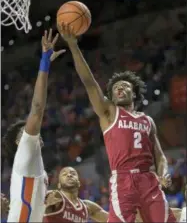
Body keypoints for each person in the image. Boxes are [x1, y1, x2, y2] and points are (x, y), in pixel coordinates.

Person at [57, 23, 176, 222]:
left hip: (149, 180)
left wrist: (164, 173)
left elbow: (160, 156)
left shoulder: (148, 121)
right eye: (115, 88)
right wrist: (73, 46)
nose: (119, 89)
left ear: (134, 93)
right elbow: (88, 81)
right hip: (123, 180)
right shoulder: (109, 113)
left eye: (124, 86)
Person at [2, 29, 65, 222]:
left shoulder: (34, 167)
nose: (31, 130)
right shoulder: (26, 148)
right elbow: (37, 108)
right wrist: (44, 62)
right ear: (19, 141)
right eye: (25, 131)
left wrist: (48, 201)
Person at [43, 167, 182, 223]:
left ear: (79, 183)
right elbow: (45, 200)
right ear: (59, 184)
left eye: (73, 173)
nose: (69, 174)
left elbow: (113, 219)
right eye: (64, 174)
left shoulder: (87, 207)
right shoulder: (56, 197)